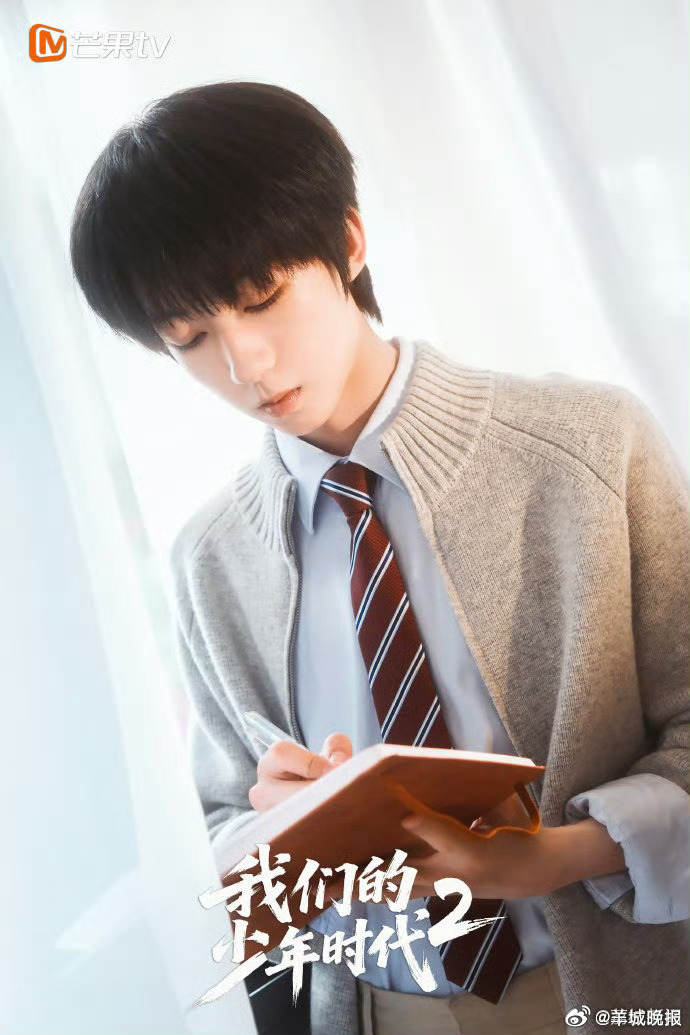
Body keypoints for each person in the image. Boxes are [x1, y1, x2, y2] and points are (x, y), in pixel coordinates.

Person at [69, 81, 689, 1035]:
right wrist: (278, 828)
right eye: (190, 338)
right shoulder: (209, 560)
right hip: (374, 1011)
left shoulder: (590, 446)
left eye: (262, 298)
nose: (244, 365)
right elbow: (217, 834)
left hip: (611, 991)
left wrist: (556, 855)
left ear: (349, 242)